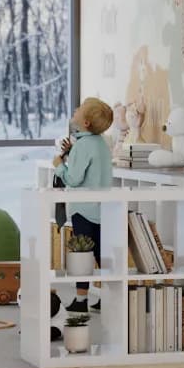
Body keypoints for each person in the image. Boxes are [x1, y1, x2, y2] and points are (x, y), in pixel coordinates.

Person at [53, 97, 114, 312]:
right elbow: (92, 171)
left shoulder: (83, 146)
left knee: (83, 255)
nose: (75, 110)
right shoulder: (101, 144)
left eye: (79, 109)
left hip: (83, 210)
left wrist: (60, 166)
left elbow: (74, 179)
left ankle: (80, 300)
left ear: (85, 123)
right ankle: (110, 296)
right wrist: (72, 152)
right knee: (100, 254)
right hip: (102, 208)